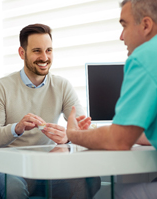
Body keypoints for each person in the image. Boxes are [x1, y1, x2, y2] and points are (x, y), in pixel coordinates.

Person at [0, 23, 101, 199]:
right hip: (11, 168)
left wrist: (69, 136)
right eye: (37, 51)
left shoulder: (62, 86)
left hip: (47, 167)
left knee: (89, 180)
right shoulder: (1, 87)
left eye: (49, 50)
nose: (44, 57)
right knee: (13, 189)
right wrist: (17, 128)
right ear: (22, 53)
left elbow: (84, 128)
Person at [66, 0, 157, 198]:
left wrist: (72, 133)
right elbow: (137, 136)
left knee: (106, 195)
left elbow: (118, 141)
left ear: (146, 25)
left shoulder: (146, 56)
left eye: (124, 25)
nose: (121, 36)